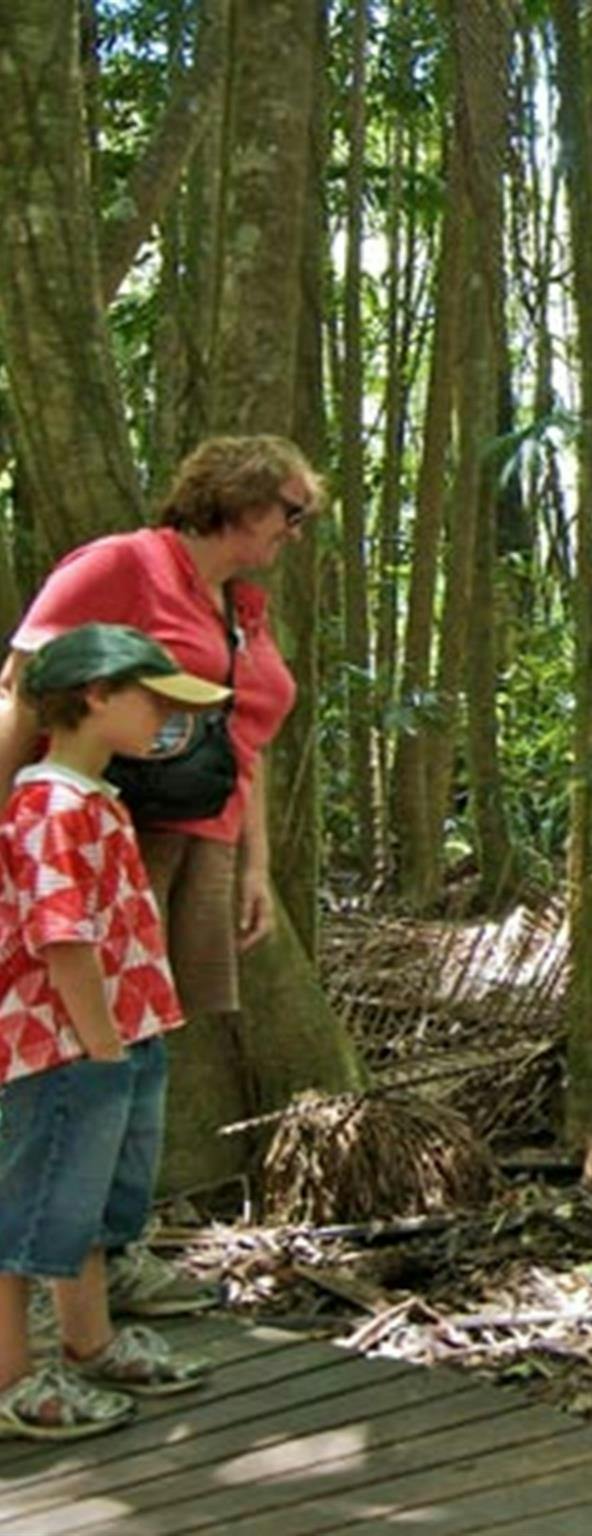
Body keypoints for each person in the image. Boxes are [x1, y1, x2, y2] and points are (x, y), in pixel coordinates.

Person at [0, 435, 319, 1317]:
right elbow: (24, 687)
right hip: (100, 839)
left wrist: (257, 865)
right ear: (240, 502)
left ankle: (112, 1255)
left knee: (143, 1051)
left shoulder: (242, 606)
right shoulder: (121, 565)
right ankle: (49, 1280)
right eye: (291, 513)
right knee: (75, 1054)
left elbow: (242, 739)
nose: (296, 531)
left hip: (198, 843)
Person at [0, 625, 227, 1438]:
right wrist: (98, 1044)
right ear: (95, 698)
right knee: (32, 1211)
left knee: (88, 1202)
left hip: (116, 1037)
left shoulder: (94, 800)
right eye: (152, 698)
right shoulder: (50, 808)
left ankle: (89, 1344)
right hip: (65, 1045)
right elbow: (60, 936)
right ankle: (13, 1379)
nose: (166, 716)